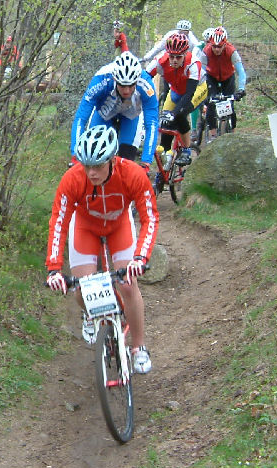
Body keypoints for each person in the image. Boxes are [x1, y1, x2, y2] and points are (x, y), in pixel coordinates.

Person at [47, 126, 159, 374]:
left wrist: (140, 257)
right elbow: (59, 222)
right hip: (85, 227)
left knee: (128, 284)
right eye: (87, 166)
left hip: (119, 225)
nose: (91, 172)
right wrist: (54, 268)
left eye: (97, 165)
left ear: (111, 159)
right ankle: (90, 314)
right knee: (82, 287)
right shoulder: (73, 178)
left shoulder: (132, 174)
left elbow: (149, 217)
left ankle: (139, 347)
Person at [70, 51, 159, 170]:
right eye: (122, 85)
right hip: (104, 113)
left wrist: (146, 161)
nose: (126, 91)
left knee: (126, 164)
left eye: (131, 85)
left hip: (131, 116)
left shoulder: (146, 84)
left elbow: (152, 124)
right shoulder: (101, 80)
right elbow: (81, 118)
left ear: (137, 80)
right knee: (95, 154)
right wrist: (76, 154)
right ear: (114, 79)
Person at [146, 32, 206, 167]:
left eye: (178, 57)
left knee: (179, 115)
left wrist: (175, 112)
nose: (174, 60)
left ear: (184, 54)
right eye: (171, 56)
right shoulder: (161, 61)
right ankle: (165, 158)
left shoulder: (193, 63)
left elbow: (189, 93)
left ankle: (186, 151)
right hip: (176, 90)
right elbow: (143, 79)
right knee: (165, 123)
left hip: (197, 88)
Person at [203, 26, 247, 139]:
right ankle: (213, 136)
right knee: (211, 104)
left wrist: (241, 89)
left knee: (230, 105)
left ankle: (233, 135)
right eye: (214, 46)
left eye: (220, 47)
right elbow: (200, 72)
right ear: (210, 44)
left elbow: (241, 72)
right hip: (211, 76)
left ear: (225, 44)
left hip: (228, 77)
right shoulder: (206, 51)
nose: (217, 49)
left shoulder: (231, 51)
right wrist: (202, 91)